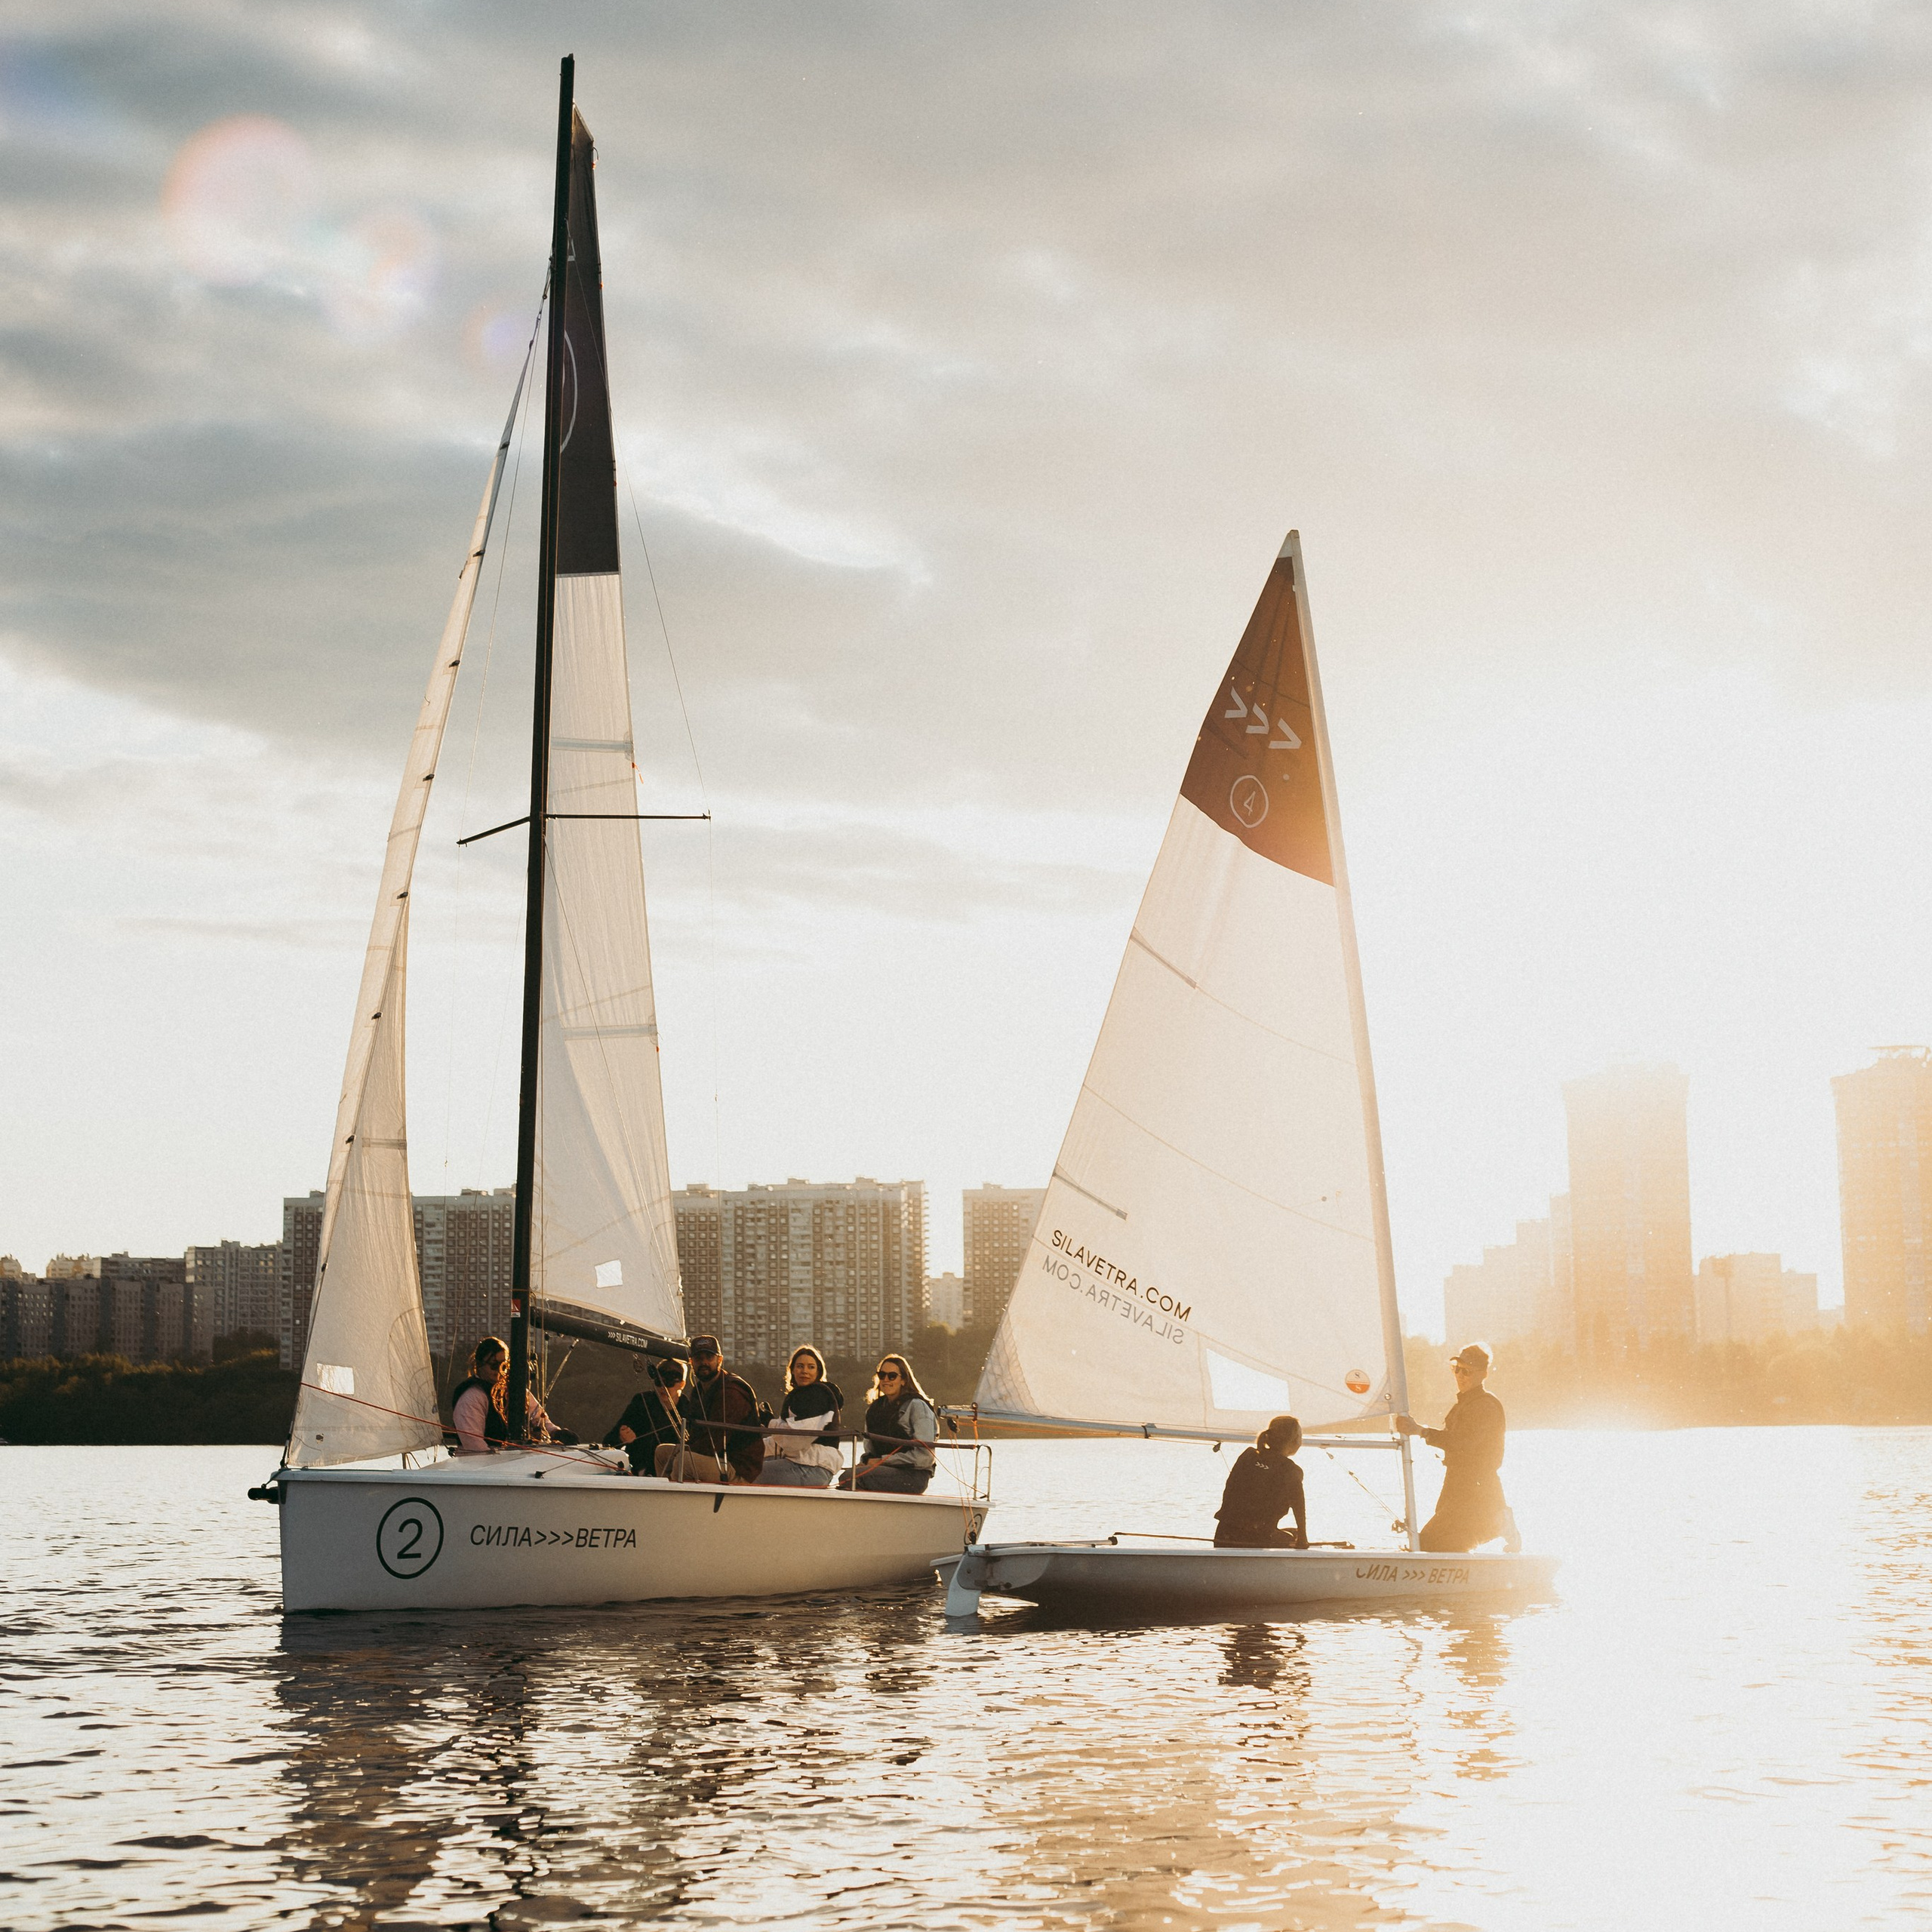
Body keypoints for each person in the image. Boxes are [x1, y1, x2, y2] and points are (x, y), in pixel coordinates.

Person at [1396, 1343, 1517, 1552]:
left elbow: (1462, 1443)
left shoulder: (1486, 1406)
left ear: (1483, 1374)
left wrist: (1420, 1431)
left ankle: (1500, 1521)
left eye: (1467, 1371)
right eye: (1457, 1369)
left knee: (1428, 1543)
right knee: (1442, 1543)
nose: (1460, 1375)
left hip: (1476, 1488)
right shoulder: (1462, 1405)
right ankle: (1499, 1521)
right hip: (1456, 1484)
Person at [655, 1334, 764, 1484]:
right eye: (699, 1359)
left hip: (739, 1468)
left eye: (710, 1357)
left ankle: (676, 1502)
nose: (704, 1362)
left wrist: (685, 1450)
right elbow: (696, 1435)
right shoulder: (699, 1391)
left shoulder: (731, 1392)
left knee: (683, 1461)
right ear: (691, 1362)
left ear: (719, 1360)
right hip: (715, 1458)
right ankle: (663, 1496)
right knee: (662, 1453)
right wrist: (684, 1448)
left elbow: (714, 1442)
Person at [837, 1355, 937, 1494]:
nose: (886, 1380)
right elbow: (870, 1451)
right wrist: (866, 1462)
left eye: (892, 1376)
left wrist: (882, 1461)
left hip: (914, 1476)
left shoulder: (917, 1407)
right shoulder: (873, 1410)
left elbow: (925, 1457)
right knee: (849, 1475)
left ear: (903, 1380)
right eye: (882, 1375)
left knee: (849, 1478)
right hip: (885, 1471)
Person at [1213, 1415, 1309, 1548]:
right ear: (1295, 1440)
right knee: (1293, 1536)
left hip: (1223, 1536)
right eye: (1301, 1436)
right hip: (1254, 1539)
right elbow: (1299, 1507)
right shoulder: (1291, 1470)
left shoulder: (1247, 1456)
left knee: (1290, 1532)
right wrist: (1303, 1541)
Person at [449, 1336, 556, 1454]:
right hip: (479, 1464)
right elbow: (472, 1441)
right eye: (494, 1365)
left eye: (504, 1365)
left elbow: (538, 1418)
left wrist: (555, 1432)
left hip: (511, 1459)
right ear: (479, 1365)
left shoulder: (516, 1392)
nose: (500, 1370)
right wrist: (497, 1457)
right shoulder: (473, 1397)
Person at [755, 1345, 844, 1487]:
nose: (805, 1371)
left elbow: (796, 1439)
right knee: (747, 1463)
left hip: (813, 1467)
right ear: (793, 1370)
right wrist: (748, 1448)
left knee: (749, 1472)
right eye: (800, 1366)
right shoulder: (798, 1396)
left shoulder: (818, 1395)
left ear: (819, 1372)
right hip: (802, 1462)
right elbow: (782, 1441)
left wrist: (769, 1422)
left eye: (811, 1367)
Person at [602, 1356, 688, 1474]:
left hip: (671, 1474)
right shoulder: (642, 1402)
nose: (663, 1388)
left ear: (682, 1384)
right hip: (639, 1472)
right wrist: (621, 1438)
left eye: (669, 1383)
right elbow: (609, 1441)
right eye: (658, 1382)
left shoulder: (689, 1409)